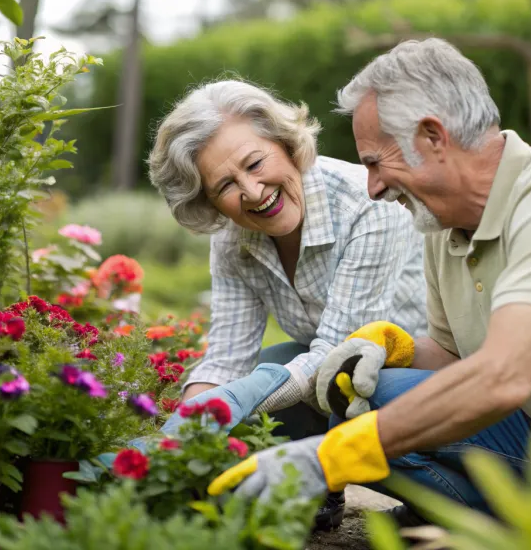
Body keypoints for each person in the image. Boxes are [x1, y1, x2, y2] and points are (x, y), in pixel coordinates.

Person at [205, 38, 531, 525]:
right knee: (370, 395)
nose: (374, 187)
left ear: (432, 137)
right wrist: (390, 346)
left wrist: (328, 457)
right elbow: (451, 356)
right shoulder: (442, 226)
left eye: (377, 162)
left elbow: (503, 375)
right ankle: (502, 526)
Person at [143, 79, 428, 529]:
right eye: (226, 186)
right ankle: (315, 495)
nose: (254, 192)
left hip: (417, 374)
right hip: (340, 371)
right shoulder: (232, 236)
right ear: (210, 201)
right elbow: (226, 358)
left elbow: (337, 352)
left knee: (290, 377)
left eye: (255, 163)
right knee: (271, 364)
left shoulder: (365, 206)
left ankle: (437, 505)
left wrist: (233, 401)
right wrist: (184, 429)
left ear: (285, 143)